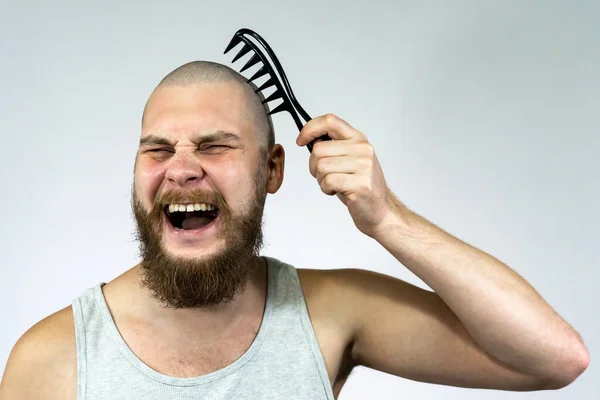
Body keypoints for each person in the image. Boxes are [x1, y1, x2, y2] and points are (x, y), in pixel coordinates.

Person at [0, 61, 589, 400]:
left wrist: (388, 218)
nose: (181, 167)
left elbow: (553, 358)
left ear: (272, 169)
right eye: (157, 150)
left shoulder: (330, 313)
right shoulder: (52, 361)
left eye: (215, 146)